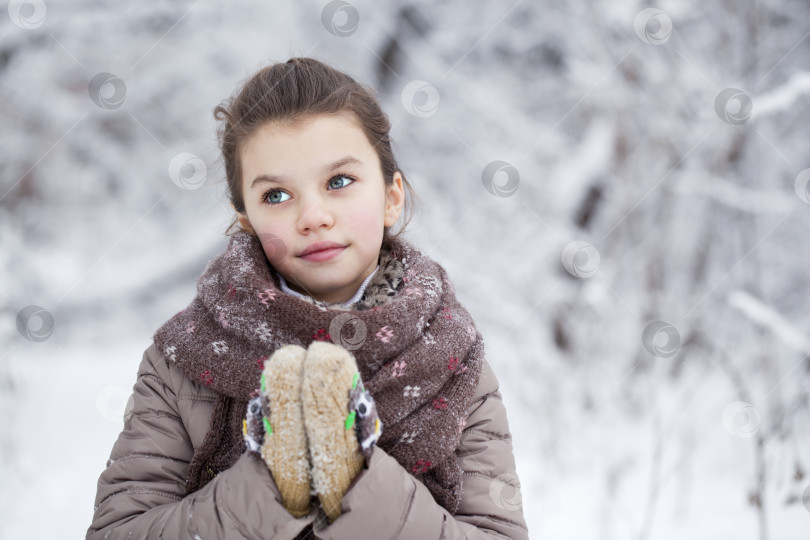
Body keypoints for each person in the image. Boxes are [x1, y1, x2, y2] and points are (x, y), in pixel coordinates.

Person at [87, 57, 529, 539]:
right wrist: (273, 484)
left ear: (390, 197)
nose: (313, 216)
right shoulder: (182, 361)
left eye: (339, 182)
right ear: (247, 220)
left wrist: (356, 479)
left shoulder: (451, 358)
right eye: (277, 195)